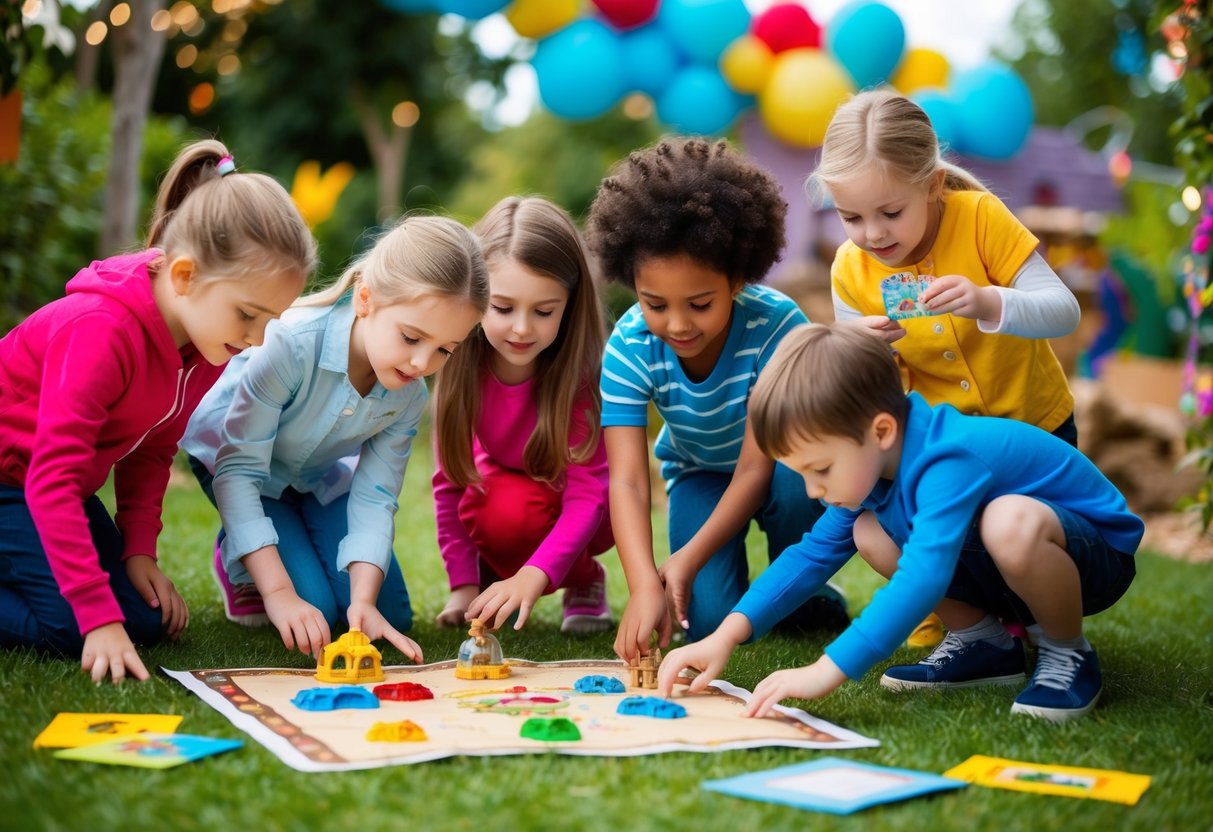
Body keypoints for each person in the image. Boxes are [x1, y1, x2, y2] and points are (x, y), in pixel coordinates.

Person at [658, 324, 1142, 722]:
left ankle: (1066, 651)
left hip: (1093, 560)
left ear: (881, 431)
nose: (810, 489)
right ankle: (984, 645)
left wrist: (827, 669)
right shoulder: (872, 466)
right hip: (1006, 567)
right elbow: (809, 556)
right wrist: (726, 634)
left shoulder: (945, 457)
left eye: (820, 469)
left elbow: (924, 575)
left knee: (1008, 521)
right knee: (867, 530)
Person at [0, 140, 314, 683]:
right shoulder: (101, 330)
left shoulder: (207, 341)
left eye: (271, 321)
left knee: (145, 622)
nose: (259, 339)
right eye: (248, 314)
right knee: (78, 629)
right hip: (17, 483)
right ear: (186, 277)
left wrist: (138, 553)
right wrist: (96, 619)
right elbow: (50, 478)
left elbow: (152, 447)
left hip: (49, 489)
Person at [817, 89, 1082, 648]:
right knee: (905, 534)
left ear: (933, 185)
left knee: (1011, 538)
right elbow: (861, 388)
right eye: (851, 217)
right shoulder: (850, 268)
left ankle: (1043, 623)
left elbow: (1063, 311)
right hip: (942, 450)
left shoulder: (980, 218)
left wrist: (990, 302)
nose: (872, 235)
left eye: (890, 213)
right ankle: (976, 629)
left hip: (1035, 434)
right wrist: (859, 347)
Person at [586, 137, 849, 662]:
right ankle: (769, 597)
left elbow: (756, 471)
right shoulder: (629, 348)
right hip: (699, 473)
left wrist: (685, 560)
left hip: (780, 466)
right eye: (655, 303)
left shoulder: (776, 326)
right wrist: (645, 584)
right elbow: (629, 480)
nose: (678, 324)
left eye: (700, 304)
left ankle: (804, 590)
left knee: (796, 488)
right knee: (702, 619)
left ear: (736, 279)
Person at [182, 216, 487, 660]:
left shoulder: (406, 397)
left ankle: (286, 546)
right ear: (366, 299)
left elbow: (375, 496)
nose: (422, 362)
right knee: (316, 612)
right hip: (238, 466)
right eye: (411, 337)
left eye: (444, 349)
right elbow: (239, 470)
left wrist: (363, 601)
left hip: (315, 475)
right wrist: (279, 592)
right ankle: (239, 558)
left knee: (388, 614)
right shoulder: (290, 343)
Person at [432, 197, 614, 634]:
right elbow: (449, 483)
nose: (521, 328)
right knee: (498, 504)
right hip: (506, 492)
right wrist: (462, 584)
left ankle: (584, 579)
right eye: (503, 307)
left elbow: (588, 496)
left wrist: (539, 573)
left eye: (544, 311)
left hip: (583, 504)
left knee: (518, 511)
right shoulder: (458, 364)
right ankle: (492, 577)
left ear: (569, 307)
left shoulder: (580, 377)